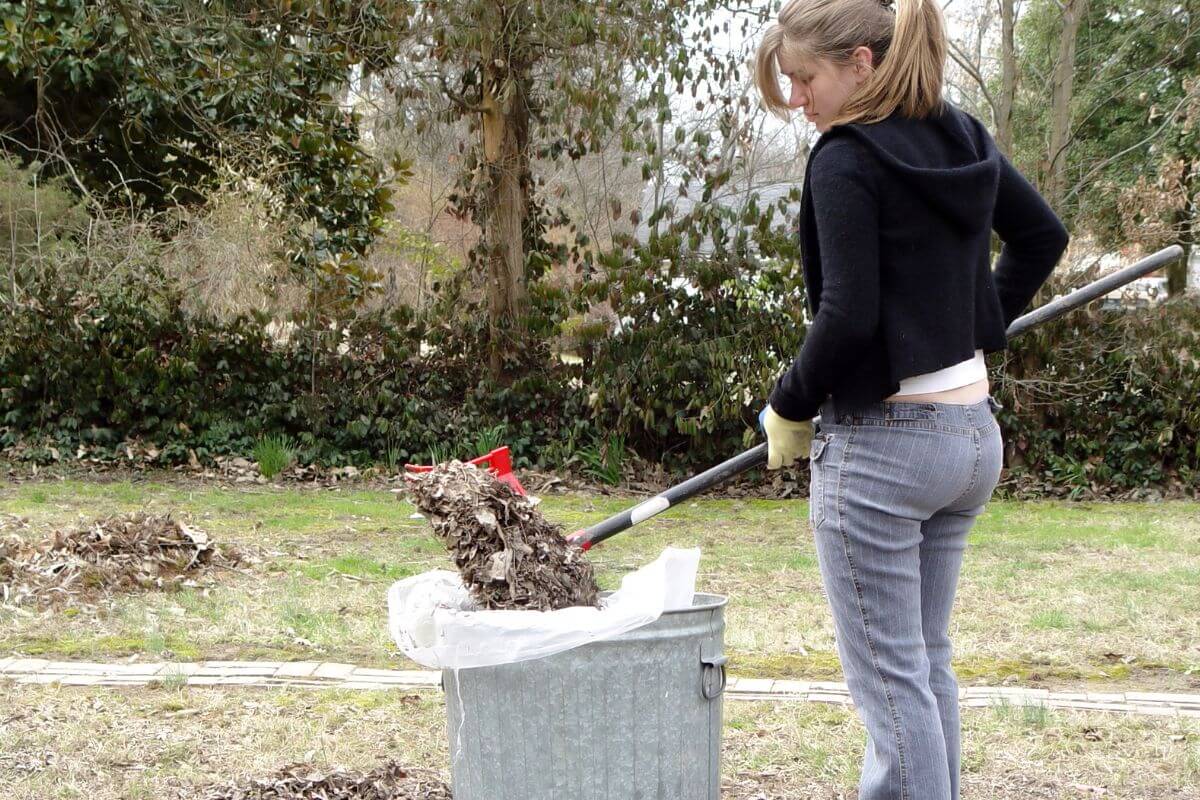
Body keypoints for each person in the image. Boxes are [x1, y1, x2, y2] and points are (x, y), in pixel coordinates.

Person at [752, 1, 1069, 798]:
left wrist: (789, 403)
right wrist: (975, 324)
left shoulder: (844, 158)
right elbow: (1042, 236)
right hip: (970, 439)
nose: (799, 100)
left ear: (860, 63)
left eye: (805, 78)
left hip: (885, 452)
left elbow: (847, 314)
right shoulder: (959, 134)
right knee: (921, 667)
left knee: (894, 685)